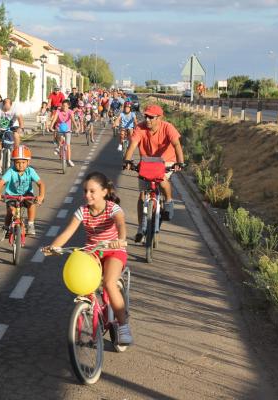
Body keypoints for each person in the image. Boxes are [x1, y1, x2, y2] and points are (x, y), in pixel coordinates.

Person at [42, 171, 132, 345]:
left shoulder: (113, 208)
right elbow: (68, 232)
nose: (87, 195)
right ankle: (86, 315)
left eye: (92, 191)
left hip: (114, 250)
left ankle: (123, 326)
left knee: (109, 283)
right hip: (92, 251)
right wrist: (54, 247)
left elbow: (120, 223)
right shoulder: (82, 211)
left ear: (104, 192)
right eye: (85, 191)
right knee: (84, 285)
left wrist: (120, 240)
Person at [123, 104, 185, 243]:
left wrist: (180, 162)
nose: (147, 119)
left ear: (160, 118)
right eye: (146, 116)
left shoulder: (168, 127)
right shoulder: (140, 127)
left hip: (166, 161)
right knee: (142, 195)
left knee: (162, 179)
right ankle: (141, 227)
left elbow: (176, 144)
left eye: (151, 117)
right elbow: (132, 144)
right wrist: (127, 160)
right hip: (147, 162)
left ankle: (168, 201)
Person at [0, 145, 45, 238]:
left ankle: (30, 224)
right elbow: (1, 182)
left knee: (32, 204)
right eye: (17, 162)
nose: (20, 165)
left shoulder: (30, 171)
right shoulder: (11, 171)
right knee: (11, 212)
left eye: (23, 162)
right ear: (13, 162)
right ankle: (5, 227)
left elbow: (41, 183)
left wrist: (41, 196)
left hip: (26, 194)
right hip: (11, 195)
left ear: (28, 162)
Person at [50, 99, 79, 167]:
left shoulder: (70, 112)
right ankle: (58, 147)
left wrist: (76, 128)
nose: (64, 107)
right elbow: (54, 119)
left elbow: (73, 120)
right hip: (59, 128)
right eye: (63, 106)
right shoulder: (58, 111)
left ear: (69, 106)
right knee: (59, 139)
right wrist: (51, 127)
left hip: (67, 130)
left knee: (68, 145)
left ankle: (68, 160)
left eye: (66, 106)